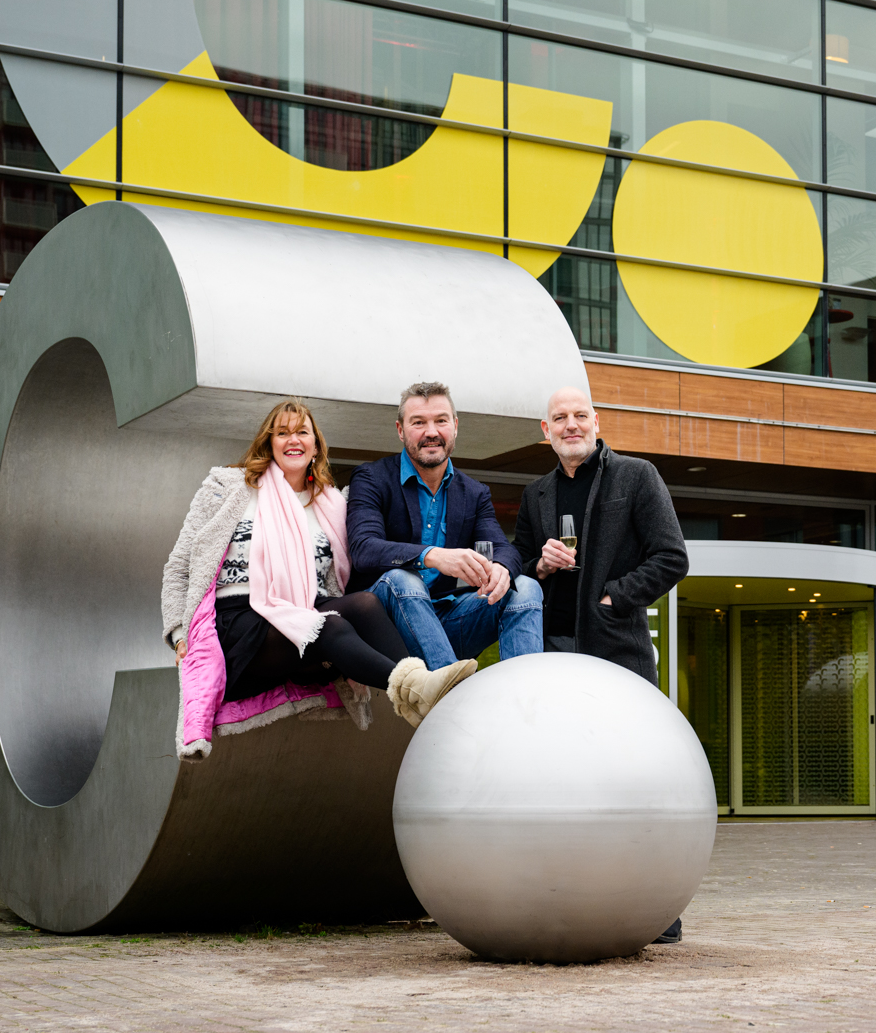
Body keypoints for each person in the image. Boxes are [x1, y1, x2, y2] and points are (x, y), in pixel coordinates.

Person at [161, 399, 476, 733]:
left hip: (303, 609)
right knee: (328, 626)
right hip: (241, 620)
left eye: (302, 432)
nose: (293, 439)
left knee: (365, 603)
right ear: (270, 443)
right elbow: (179, 567)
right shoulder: (227, 488)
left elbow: (350, 571)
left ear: (315, 446)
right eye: (282, 433)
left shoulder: (331, 502)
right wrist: (179, 635)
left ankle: (419, 685)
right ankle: (415, 691)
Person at [511, 385, 690, 943]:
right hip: (551, 651)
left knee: (632, 782)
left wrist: (614, 595)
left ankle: (656, 909)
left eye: (580, 415)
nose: (571, 425)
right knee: (562, 782)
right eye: (559, 418)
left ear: (596, 422)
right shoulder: (536, 493)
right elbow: (517, 564)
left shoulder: (636, 476)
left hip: (618, 653)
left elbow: (672, 557)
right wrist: (539, 564)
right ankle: (571, 896)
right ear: (546, 430)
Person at [348, 381, 544, 668]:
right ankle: (451, 693)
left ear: (455, 426)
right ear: (401, 430)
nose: (431, 432)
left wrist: (501, 568)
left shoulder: (474, 492)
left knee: (524, 587)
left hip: (448, 619)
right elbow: (364, 549)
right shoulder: (372, 478)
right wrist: (434, 556)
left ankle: (525, 700)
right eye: (419, 422)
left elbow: (504, 548)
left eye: (441, 421)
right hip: (385, 626)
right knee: (404, 578)